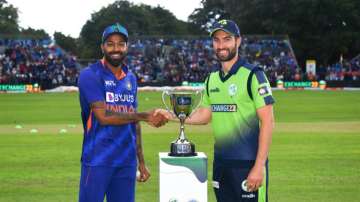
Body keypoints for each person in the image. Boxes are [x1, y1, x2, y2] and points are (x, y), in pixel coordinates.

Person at [159, 19, 275, 202]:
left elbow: (268, 121)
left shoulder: (253, 75)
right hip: (221, 165)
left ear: (238, 41)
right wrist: (173, 115)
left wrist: (259, 166)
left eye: (227, 39)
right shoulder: (211, 79)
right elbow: (204, 115)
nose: (221, 45)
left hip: (248, 165)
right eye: (217, 40)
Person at [77, 23, 168, 202]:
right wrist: (144, 115)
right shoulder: (90, 75)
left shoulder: (131, 78)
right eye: (110, 43)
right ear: (102, 46)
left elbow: (133, 122)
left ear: (127, 47)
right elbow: (103, 116)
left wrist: (141, 161)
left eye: (121, 44)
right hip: (97, 160)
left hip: (126, 162)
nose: (116, 48)